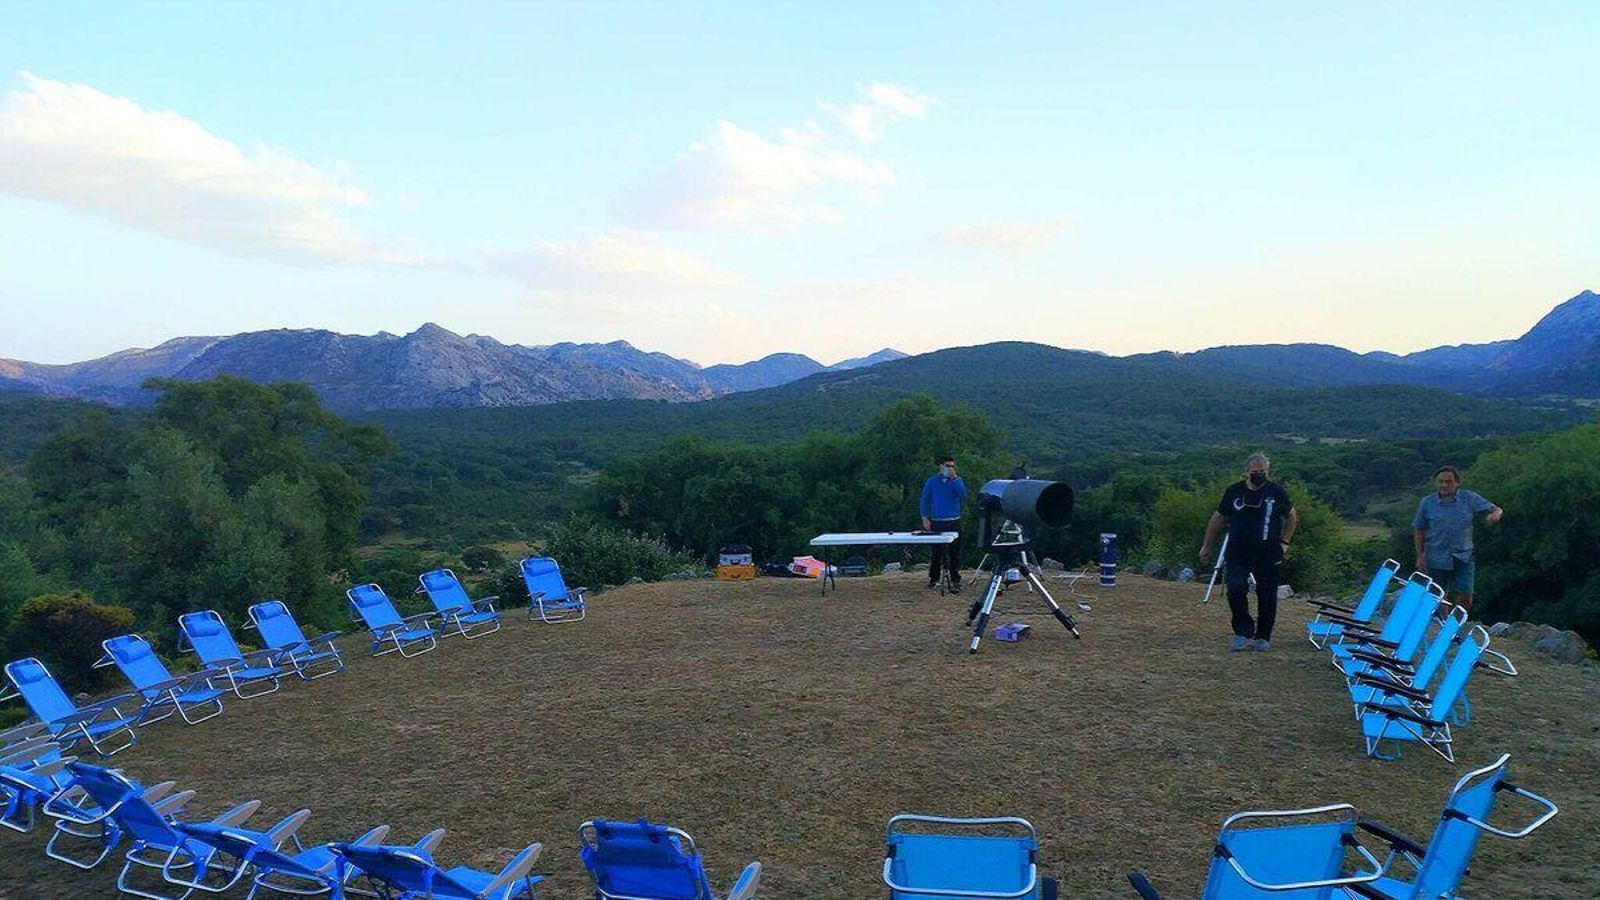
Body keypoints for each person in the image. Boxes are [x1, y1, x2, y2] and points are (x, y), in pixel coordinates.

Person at [1199, 452, 1297, 652]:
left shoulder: (1276, 492)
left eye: (1263, 471)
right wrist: (1207, 546)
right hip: (1238, 550)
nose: (1259, 475)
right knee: (1235, 588)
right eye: (1255, 472)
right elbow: (1218, 518)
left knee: (1267, 594)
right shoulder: (1234, 492)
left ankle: (1263, 636)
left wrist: (1285, 542)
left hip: (1268, 550)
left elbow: (1292, 516)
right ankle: (1243, 631)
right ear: (1247, 472)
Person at [1413, 465, 1502, 612]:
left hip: (1463, 556)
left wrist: (1495, 515)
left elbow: (1495, 509)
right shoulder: (1427, 503)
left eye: (1448, 481)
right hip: (1435, 556)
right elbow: (1419, 529)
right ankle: (1443, 623)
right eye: (1440, 481)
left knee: (1466, 596)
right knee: (1437, 596)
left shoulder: (1469, 498)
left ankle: (1455, 622)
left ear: (1457, 483)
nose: (1444, 485)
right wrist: (1419, 555)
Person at [919, 454, 967, 592]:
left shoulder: (957, 481)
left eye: (952, 466)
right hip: (937, 521)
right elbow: (924, 499)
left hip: (954, 521)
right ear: (940, 466)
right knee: (937, 553)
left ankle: (955, 579)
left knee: (955, 553)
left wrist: (955, 480)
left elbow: (963, 496)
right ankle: (934, 579)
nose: (950, 468)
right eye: (947, 466)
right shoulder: (932, 481)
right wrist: (925, 518)